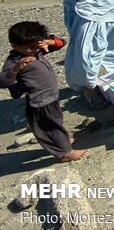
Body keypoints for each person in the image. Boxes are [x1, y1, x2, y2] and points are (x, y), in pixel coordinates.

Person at [0, 21, 90, 162]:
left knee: (56, 121)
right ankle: (65, 153)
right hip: (39, 101)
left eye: (38, 46)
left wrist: (49, 42)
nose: (36, 50)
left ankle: (63, 140)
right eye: (31, 48)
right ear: (15, 46)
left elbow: (61, 43)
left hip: (51, 96)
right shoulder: (14, 61)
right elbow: (3, 81)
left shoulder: (36, 48)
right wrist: (16, 69)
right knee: (49, 127)